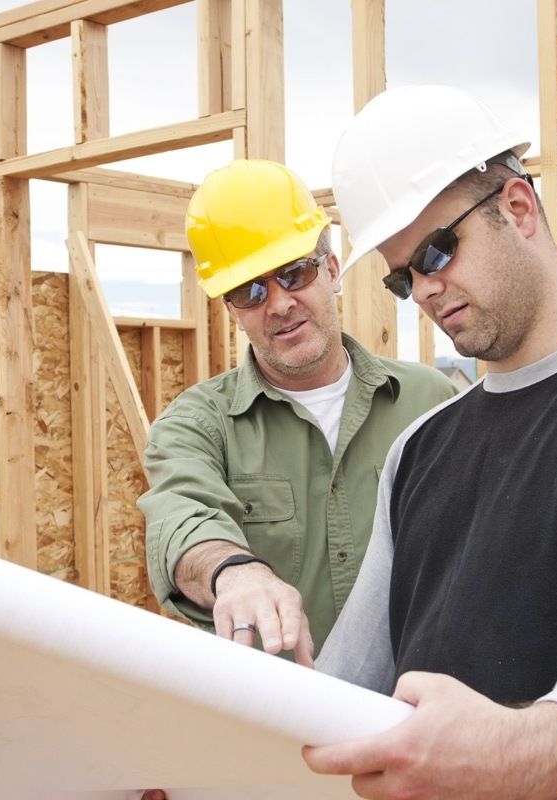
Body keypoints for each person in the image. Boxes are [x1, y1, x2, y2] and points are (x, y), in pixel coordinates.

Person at [303, 84, 557, 798]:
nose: (424, 290)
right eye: (400, 276)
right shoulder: (419, 448)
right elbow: (347, 690)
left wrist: (543, 746)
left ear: (517, 207)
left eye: (438, 251)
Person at [137, 158, 457, 666]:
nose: (280, 304)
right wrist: (235, 571)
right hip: (275, 721)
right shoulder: (195, 426)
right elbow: (182, 519)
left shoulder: (430, 401)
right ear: (232, 310)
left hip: (418, 715)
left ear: (331, 272)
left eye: (294, 272)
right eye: (251, 290)